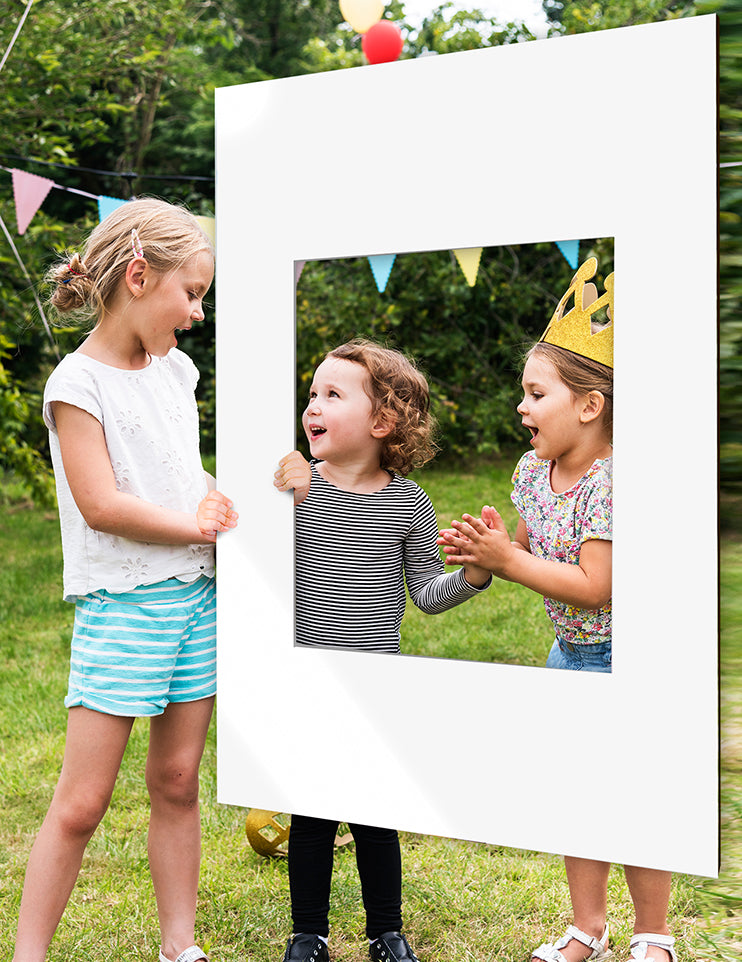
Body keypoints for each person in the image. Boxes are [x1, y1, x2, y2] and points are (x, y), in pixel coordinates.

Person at [13, 198, 238, 962]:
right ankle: (29, 954)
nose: (198, 312)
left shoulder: (178, 370)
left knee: (178, 780)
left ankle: (182, 946)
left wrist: (223, 504)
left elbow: (181, 471)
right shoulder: (77, 385)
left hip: (196, 601)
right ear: (140, 277)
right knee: (82, 803)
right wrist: (197, 525)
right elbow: (103, 504)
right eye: (193, 293)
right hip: (125, 608)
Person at [439, 259, 676, 962]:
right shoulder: (528, 473)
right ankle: (587, 928)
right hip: (566, 656)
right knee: (577, 796)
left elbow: (596, 584)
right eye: (523, 392)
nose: (522, 406)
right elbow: (522, 547)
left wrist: (513, 563)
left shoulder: (614, 481)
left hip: (624, 658)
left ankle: (653, 933)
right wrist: (487, 552)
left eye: (535, 393)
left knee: (634, 797)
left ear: (589, 405)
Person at [273, 338, 491, 962]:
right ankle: (308, 933)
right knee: (310, 816)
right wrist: (286, 489)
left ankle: (385, 932)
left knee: (375, 817)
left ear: (381, 422)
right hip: (306, 682)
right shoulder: (293, 489)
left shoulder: (405, 501)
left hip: (376, 688)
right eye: (311, 394)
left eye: (332, 395)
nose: (312, 405)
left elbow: (425, 595)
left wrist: (473, 578)